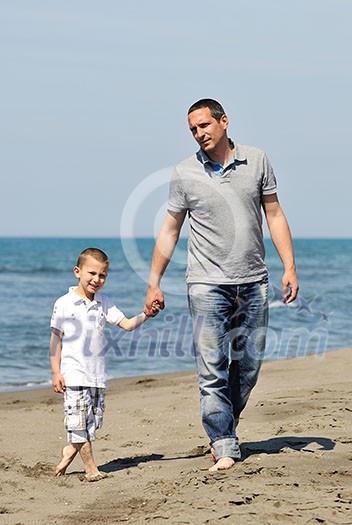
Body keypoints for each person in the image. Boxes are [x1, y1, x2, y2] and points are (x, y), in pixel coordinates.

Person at [144, 98, 299, 471]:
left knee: (247, 367)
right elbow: (170, 230)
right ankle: (224, 443)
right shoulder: (184, 172)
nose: (199, 134)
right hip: (205, 284)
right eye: (193, 130)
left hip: (253, 282)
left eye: (204, 125)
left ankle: (224, 426)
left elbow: (274, 214)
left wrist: (289, 267)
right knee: (211, 368)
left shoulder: (257, 160)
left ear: (224, 122)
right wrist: (154, 283)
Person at [50, 247, 159, 481]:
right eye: (92, 273)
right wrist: (56, 372)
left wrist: (147, 314)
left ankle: (70, 450)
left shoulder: (104, 303)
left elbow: (128, 325)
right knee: (78, 424)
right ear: (77, 272)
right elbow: (55, 340)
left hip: (97, 376)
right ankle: (91, 469)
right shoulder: (64, 303)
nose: (97, 280)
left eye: (102, 275)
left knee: (91, 425)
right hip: (74, 375)